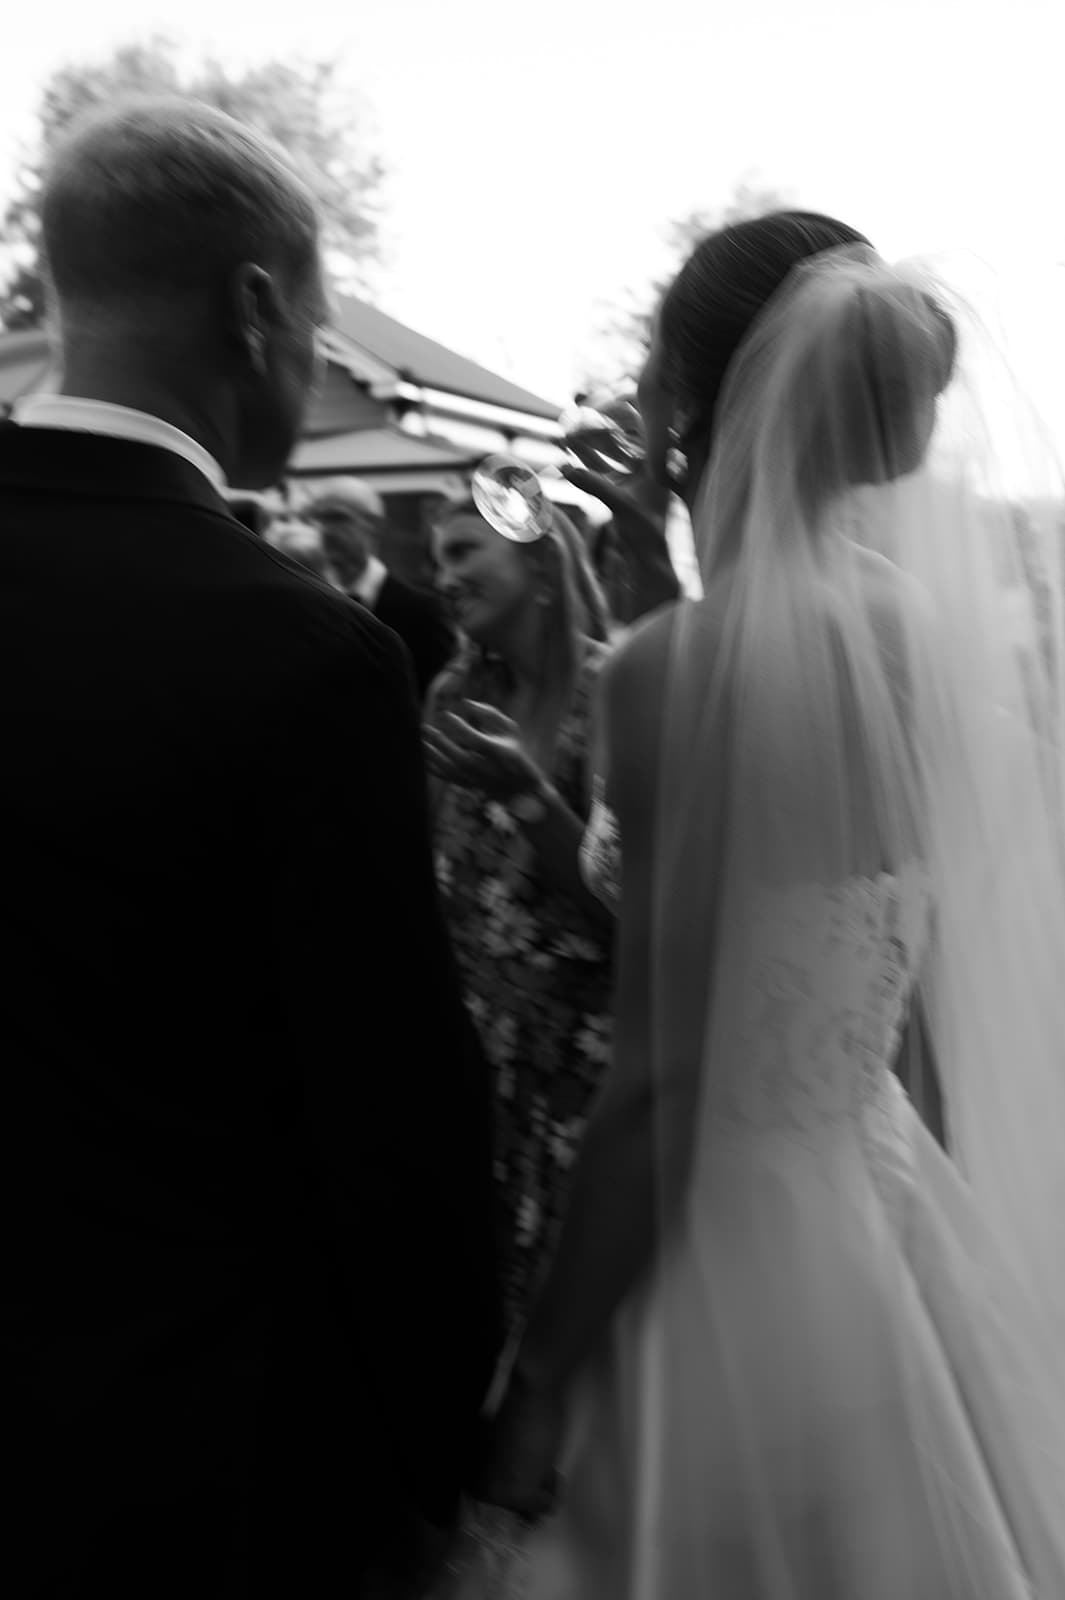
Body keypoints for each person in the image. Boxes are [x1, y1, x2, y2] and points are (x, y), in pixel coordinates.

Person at [455, 218, 1065, 1595]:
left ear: (693, 388)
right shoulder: (901, 627)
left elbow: (665, 1082)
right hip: (880, 1193)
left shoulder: (678, 675)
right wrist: (646, 580)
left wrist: (540, 1376)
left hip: (719, 1244)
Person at [0, 97, 499, 1600]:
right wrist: (438, 1454)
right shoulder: (301, 651)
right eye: (323, 321)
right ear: (260, 306)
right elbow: (391, 1112)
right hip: (197, 1459)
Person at [424, 497, 615, 1339]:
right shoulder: (455, 691)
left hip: (576, 1063)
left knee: (558, 1310)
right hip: (466, 1054)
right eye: (437, 558)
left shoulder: (613, 691)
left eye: (464, 551)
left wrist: (529, 799)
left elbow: (632, 909)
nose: (443, 576)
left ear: (540, 565)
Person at [305, 475, 456, 700]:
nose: (323, 530)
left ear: (374, 526)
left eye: (336, 518)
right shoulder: (312, 604)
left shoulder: (421, 611)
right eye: (315, 519)